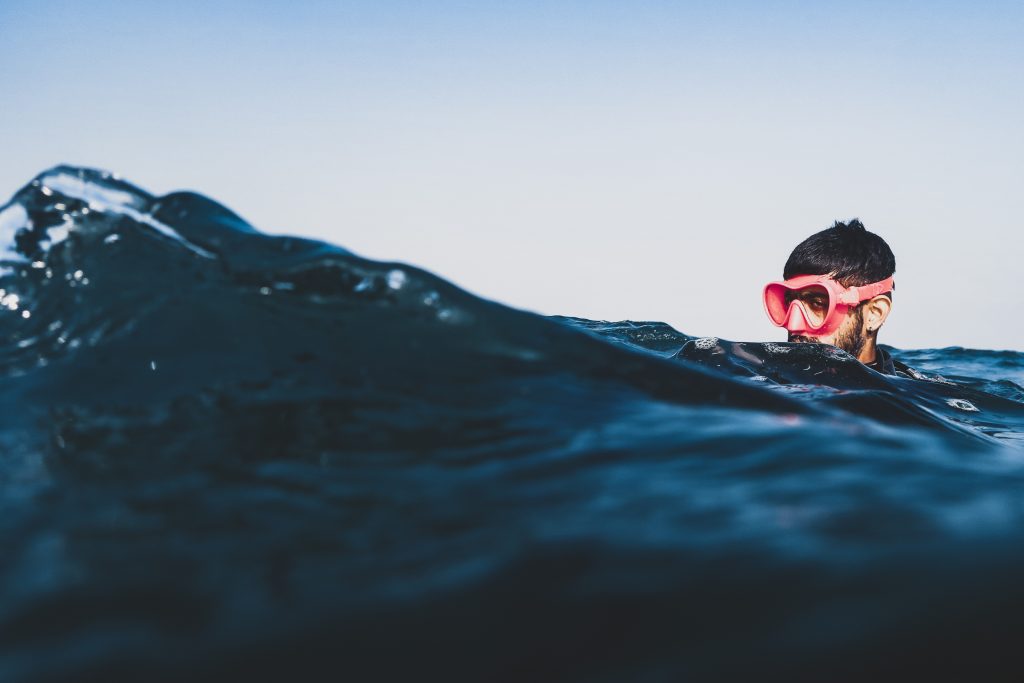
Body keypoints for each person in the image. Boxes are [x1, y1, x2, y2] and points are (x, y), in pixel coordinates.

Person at [762, 219, 915, 376]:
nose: (793, 325)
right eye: (788, 303)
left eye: (818, 303)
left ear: (874, 313)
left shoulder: (911, 396)